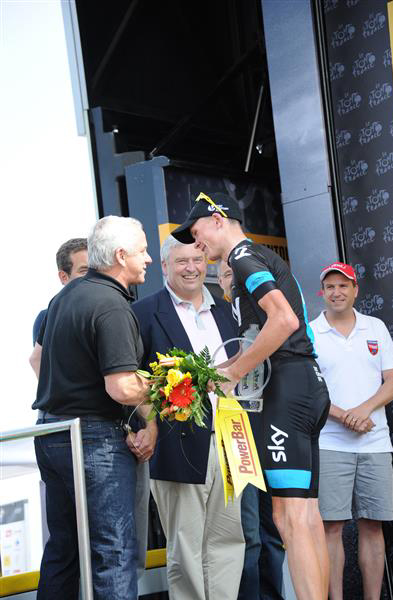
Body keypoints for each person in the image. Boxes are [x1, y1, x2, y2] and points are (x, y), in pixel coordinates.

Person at [172, 191, 331, 600]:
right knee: (307, 517)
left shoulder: (243, 257)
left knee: (289, 519)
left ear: (219, 218)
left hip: (285, 392)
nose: (195, 242)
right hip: (303, 387)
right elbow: (259, 339)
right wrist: (215, 374)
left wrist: (235, 375)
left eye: (197, 230)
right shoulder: (249, 258)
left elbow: (284, 320)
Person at [31, 216, 156, 600]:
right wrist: (166, 388)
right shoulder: (111, 305)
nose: (148, 259)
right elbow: (120, 386)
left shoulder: (64, 298)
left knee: (63, 551)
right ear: (120, 255)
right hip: (93, 440)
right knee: (113, 551)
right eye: (142, 250)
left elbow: (38, 361)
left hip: (51, 434)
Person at [132, 235, 245, 600]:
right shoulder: (144, 313)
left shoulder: (227, 313)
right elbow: (134, 379)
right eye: (181, 261)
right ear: (165, 266)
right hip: (176, 445)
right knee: (185, 544)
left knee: (229, 539)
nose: (192, 268)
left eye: (197, 260)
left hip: (230, 441)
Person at [310, 262, 393, 600]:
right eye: (330, 287)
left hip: (375, 444)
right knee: (331, 528)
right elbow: (309, 389)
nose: (337, 292)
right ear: (323, 292)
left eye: (343, 286)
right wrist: (343, 416)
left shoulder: (374, 327)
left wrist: (362, 411)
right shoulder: (310, 332)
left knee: (373, 526)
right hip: (330, 443)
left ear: (355, 290)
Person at [217, 259, 285, 600]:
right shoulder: (218, 315)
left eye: (236, 272)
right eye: (226, 274)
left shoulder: (267, 314)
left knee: (273, 527)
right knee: (248, 531)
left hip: (269, 426)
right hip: (234, 434)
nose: (233, 279)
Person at [32, 237, 88, 345]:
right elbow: (38, 361)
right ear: (64, 277)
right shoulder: (46, 319)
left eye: (96, 269)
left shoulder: (116, 309)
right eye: (84, 271)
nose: (93, 276)